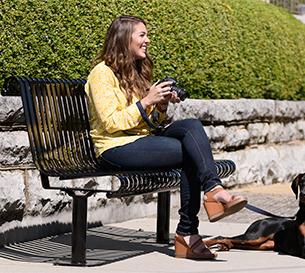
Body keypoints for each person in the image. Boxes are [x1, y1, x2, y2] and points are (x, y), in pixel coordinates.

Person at [84, 15, 248, 260]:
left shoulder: (135, 72)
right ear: (124, 39)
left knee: (191, 126)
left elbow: (152, 122)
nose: (147, 40)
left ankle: (213, 189)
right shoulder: (101, 75)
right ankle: (188, 234)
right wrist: (146, 101)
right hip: (115, 147)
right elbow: (110, 123)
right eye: (142, 35)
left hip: (140, 139)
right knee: (190, 153)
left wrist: (160, 105)